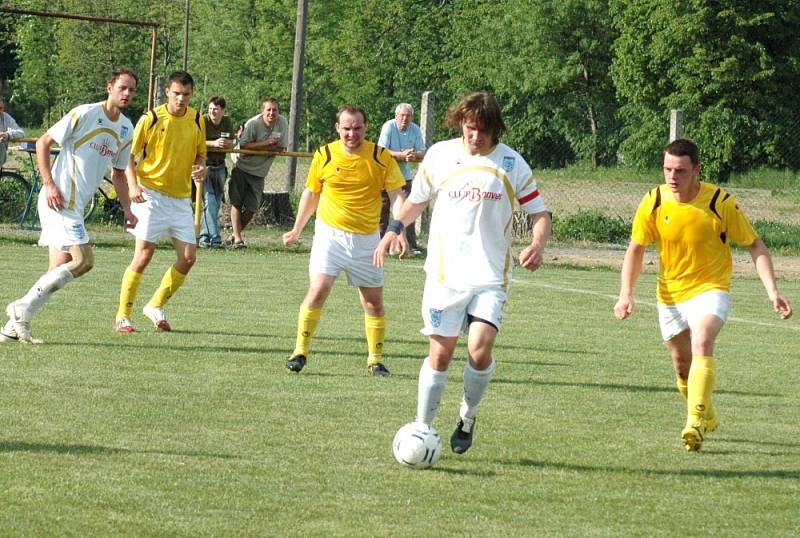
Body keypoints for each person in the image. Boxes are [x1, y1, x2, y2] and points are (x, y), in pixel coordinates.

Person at [374, 92, 551, 453]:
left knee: (479, 350)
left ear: (495, 129)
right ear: (461, 125)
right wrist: (394, 229)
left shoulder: (511, 163)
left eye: (484, 130)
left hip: (489, 277)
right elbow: (418, 200)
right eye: (470, 128)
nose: (476, 137)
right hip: (444, 275)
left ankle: (467, 415)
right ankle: (422, 427)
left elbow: (540, 214)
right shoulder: (440, 154)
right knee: (440, 355)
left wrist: (537, 244)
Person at [613, 138, 793, 452]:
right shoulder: (654, 201)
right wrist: (626, 293)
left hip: (711, 289)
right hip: (670, 295)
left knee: (703, 340)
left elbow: (755, 245)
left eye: (680, 171)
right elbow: (636, 249)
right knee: (682, 367)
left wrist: (772, 291)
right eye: (668, 169)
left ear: (696, 170)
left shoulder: (719, 202)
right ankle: (707, 413)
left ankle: (694, 422)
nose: (672, 177)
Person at [1, 69, 138, 344]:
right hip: (59, 201)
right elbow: (43, 142)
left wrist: (127, 209)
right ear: (109, 87)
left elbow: (119, 174)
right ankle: (21, 308)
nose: (127, 94)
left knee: (59, 267)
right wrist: (49, 184)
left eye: (132, 90)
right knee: (84, 261)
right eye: (122, 87)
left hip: (73, 207)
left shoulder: (126, 128)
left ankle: (12, 328)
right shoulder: (85, 113)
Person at [283, 105, 407, 377]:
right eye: (346, 128)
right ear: (337, 128)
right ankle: (300, 352)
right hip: (330, 236)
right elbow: (312, 193)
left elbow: (398, 195)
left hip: (367, 241)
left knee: (373, 302)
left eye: (357, 128)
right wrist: (296, 229)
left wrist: (398, 230)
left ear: (366, 127)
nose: (352, 134)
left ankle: (375, 360)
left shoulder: (380, 156)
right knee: (318, 290)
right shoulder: (325, 154)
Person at [114, 70, 206, 333]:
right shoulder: (151, 118)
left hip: (179, 199)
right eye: (176, 94)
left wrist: (201, 168)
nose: (181, 99)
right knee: (144, 255)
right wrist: (132, 185)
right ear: (167, 92)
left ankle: (154, 305)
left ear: (192, 94)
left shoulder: (197, 120)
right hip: (151, 194)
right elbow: (128, 157)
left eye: (186, 95)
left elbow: (201, 156)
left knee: (188, 258)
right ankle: (123, 316)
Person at [226, 97, 288, 247]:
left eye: (275, 110)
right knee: (236, 202)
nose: (272, 113)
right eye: (268, 110)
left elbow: (281, 148)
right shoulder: (253, 124)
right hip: (242, 166)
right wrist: (266, 145)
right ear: (262, 111)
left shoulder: (282, 123)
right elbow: (244, 145)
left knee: (252, 208)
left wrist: (258, 148)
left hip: (260, 172)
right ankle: (238, 240)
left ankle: (233, 236)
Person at [377, 103, 426, 253]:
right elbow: (381, 150)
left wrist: (413, 155)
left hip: (404, 176)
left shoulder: (415, 129)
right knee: (382, 211)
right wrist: (401, 155)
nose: (405, 119)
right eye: (402, 115)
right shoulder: (388, 127)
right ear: (396, 116)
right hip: (386, 176)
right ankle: (380, 245)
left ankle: (410, 246)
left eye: (408, 116)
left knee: (408, 210)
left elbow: (423, 152)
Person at [198, 96, 234, 248]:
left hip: (220, 166)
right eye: (211, 108)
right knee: (210, 201)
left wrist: (227, 144)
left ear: (222, 111)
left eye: (216, 109)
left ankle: (204, 237)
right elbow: (195, 141)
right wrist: (212, 143)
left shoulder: (227, 122)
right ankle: (215, 238)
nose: (213, 111)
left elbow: (232, 143)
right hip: (204, 165)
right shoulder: (202, 121)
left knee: (215, 203)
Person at [0, 96, 25, 170]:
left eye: (0, 108)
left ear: (3, 108)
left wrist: (7, 135)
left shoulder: (6, 117)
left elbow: (21, 133)